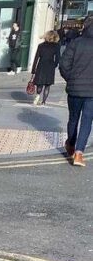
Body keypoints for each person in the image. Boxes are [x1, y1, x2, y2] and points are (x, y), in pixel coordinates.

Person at [59, 13, 93, 167]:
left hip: (74, 89)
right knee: (87, 121)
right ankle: (79, 154)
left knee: (73, 118)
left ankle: (71, 145)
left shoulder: (75, 43)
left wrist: (70, 79)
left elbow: (64, 64)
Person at [30, 30, 60, 105]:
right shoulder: (56, 46)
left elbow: (36, 58)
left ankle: (37, 95)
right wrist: (54, 65)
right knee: (47, 85)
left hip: (41, 65)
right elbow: (58, 58)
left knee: (40, 83)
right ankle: (43, 102)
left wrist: (33, 70)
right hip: (50, 66)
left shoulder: (41, 45)